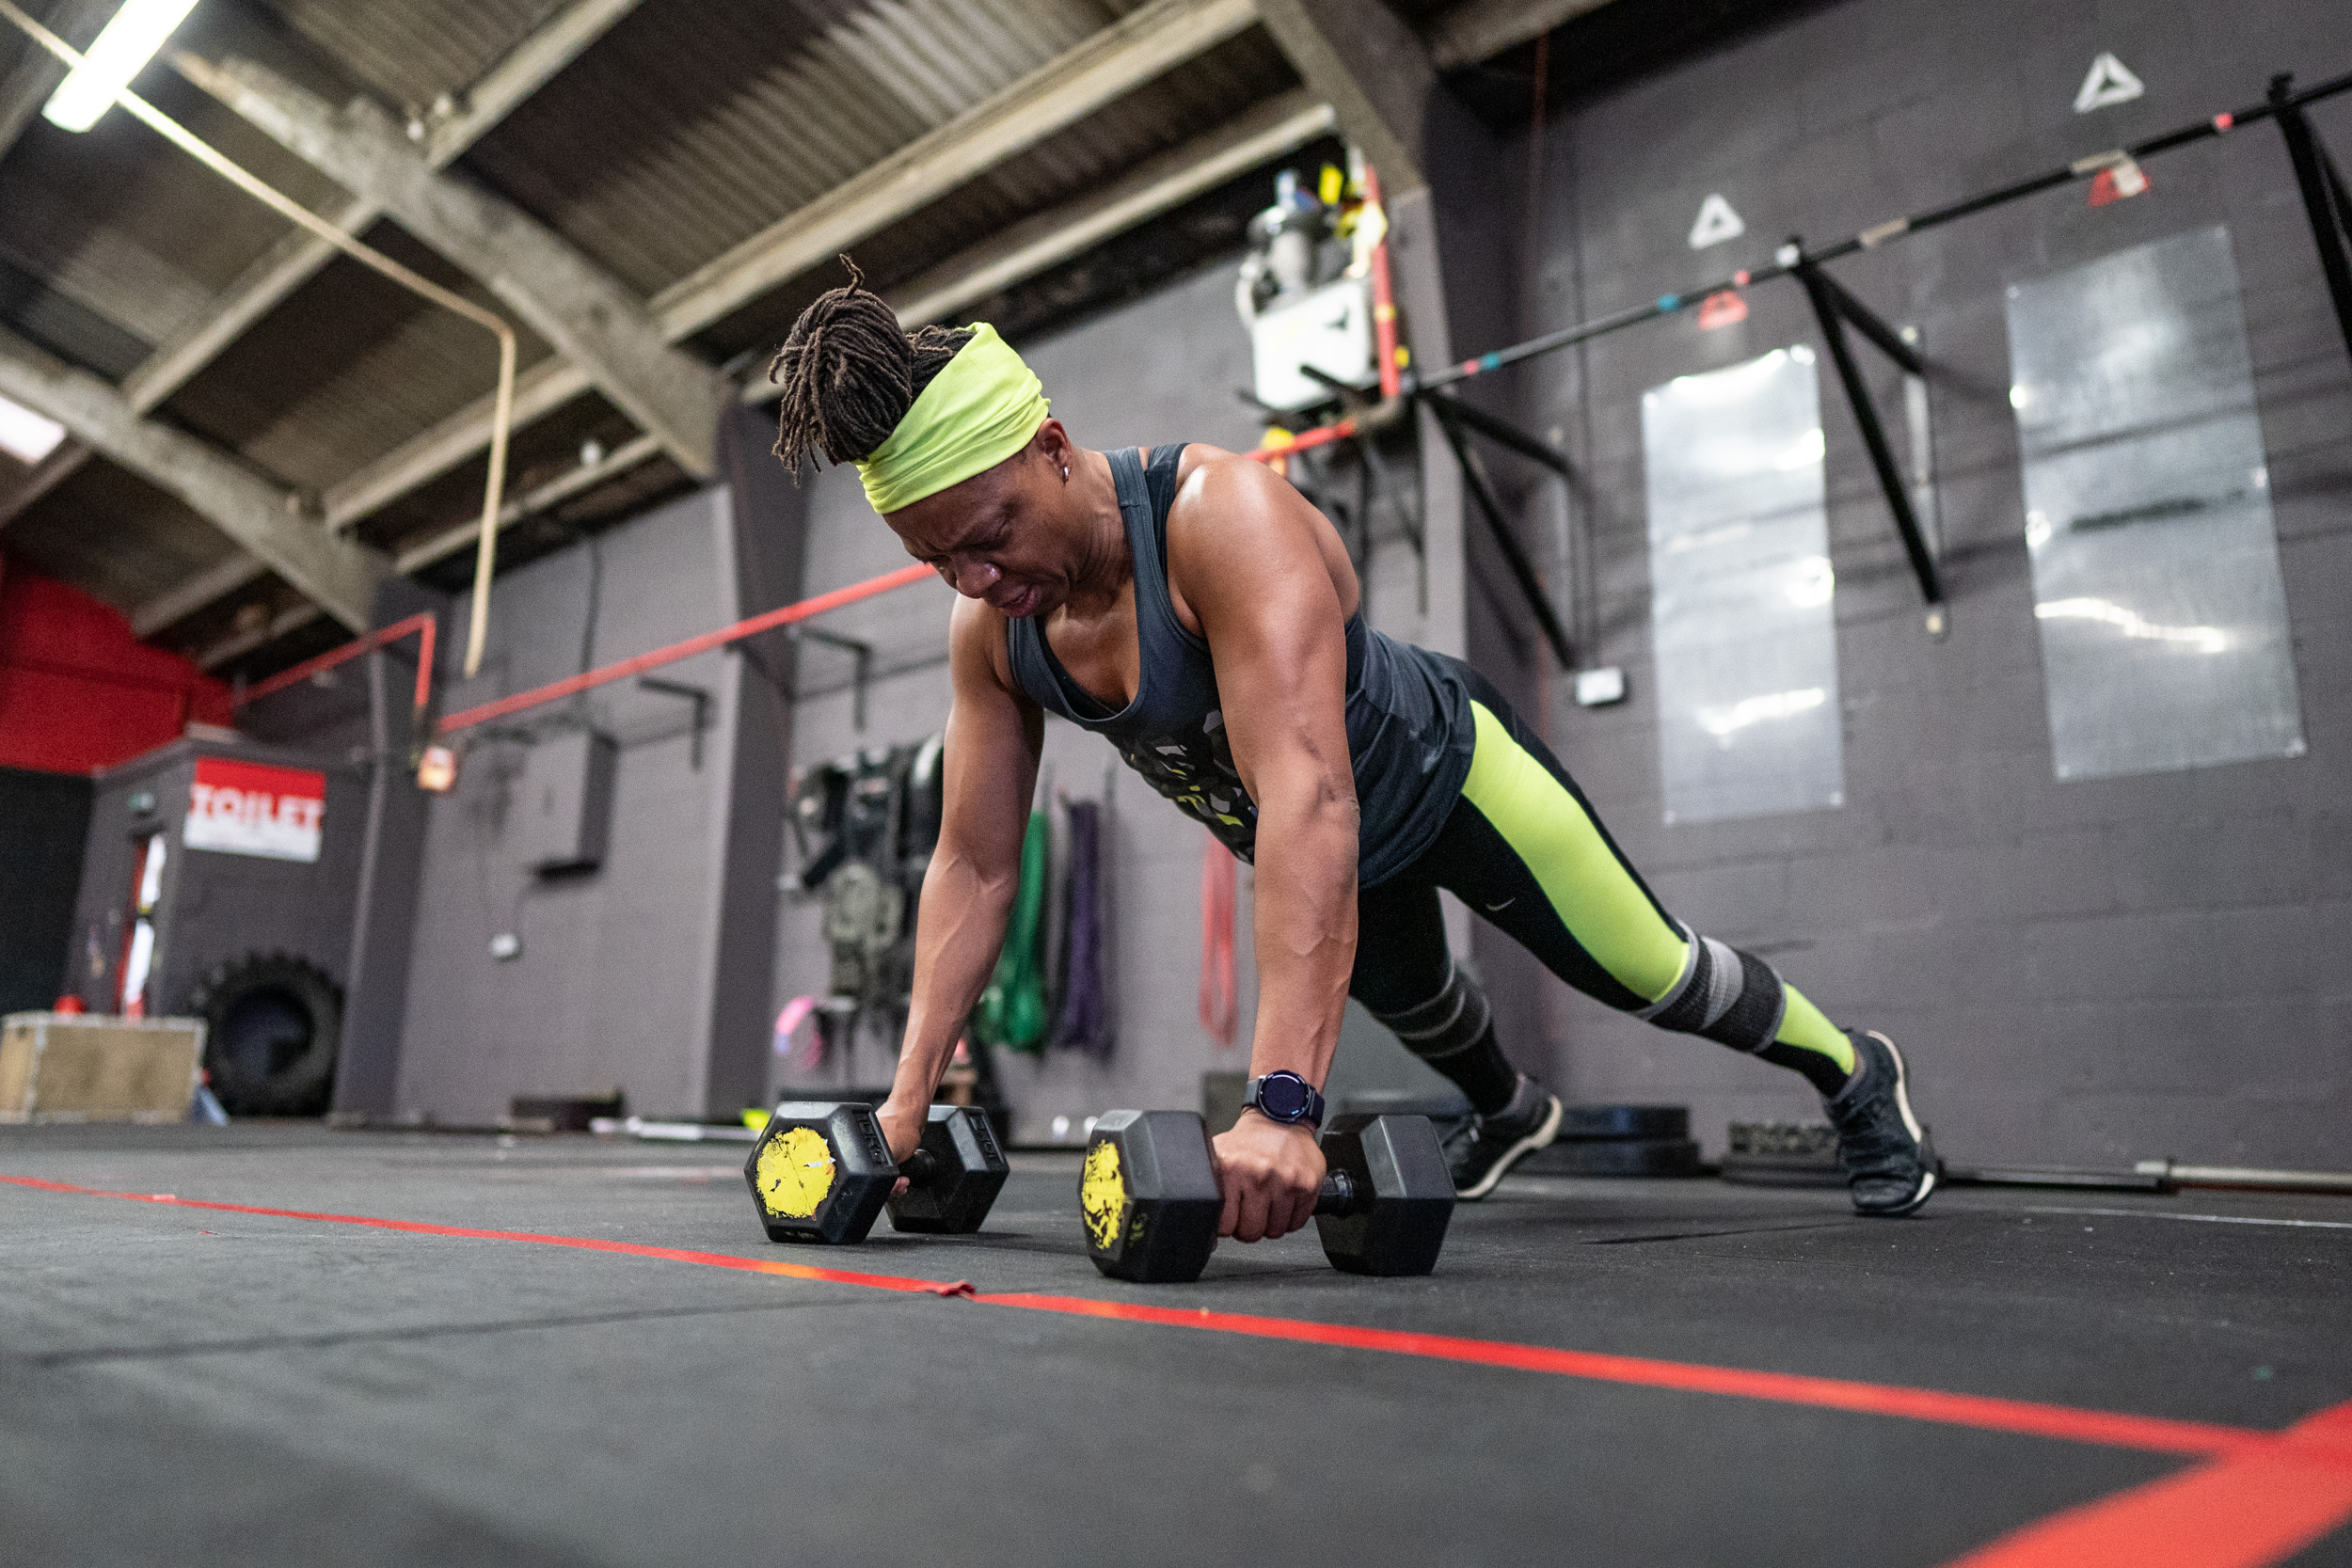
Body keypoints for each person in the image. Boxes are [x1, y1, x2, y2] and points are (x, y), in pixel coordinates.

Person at [768, 264, 1936, 1247]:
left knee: (1655, 974)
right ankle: (1511, 1110)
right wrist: (909, 1095)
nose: (976, 581)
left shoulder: (1218, 518)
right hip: (1324, 851)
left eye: (988, 537)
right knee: (1431, 1013)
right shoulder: (994, 634)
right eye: (940, 563)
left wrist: (1282, 1102)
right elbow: (973, 864)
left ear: (1053, 448)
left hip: (1445, 778)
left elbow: (1310, 792)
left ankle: (1852, 1070)